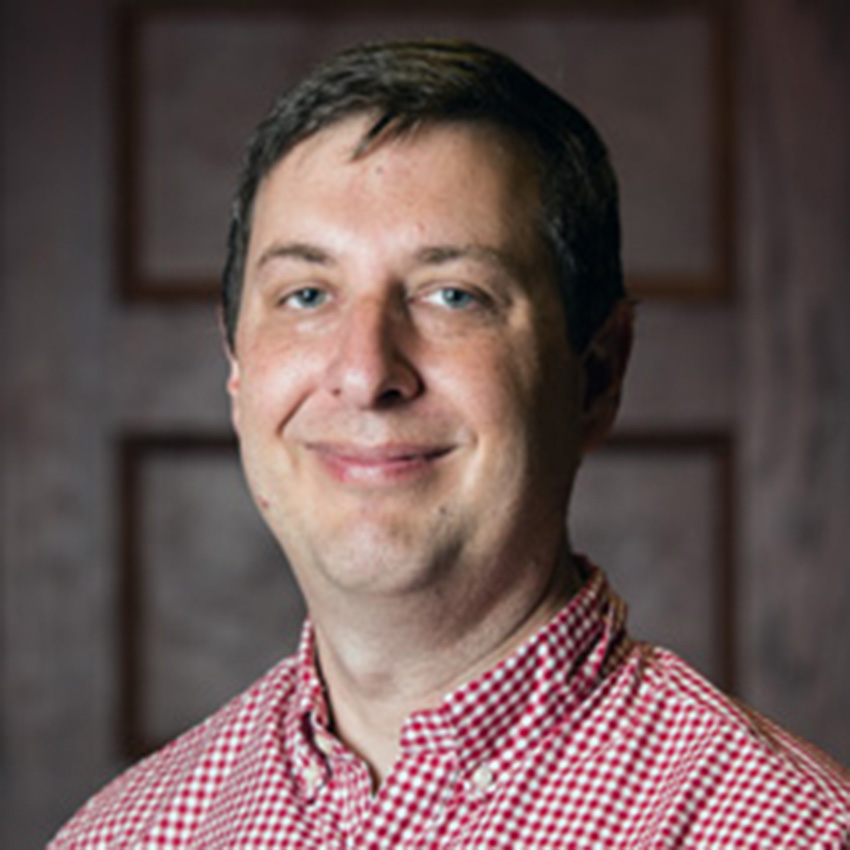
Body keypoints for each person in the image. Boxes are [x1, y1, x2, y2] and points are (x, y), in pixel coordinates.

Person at [51, 39, 848, 848]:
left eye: (453, 295)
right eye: (307, 294)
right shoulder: (120, 835)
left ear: (597, 375)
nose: (366, 373)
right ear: (236, 367)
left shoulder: (792, 830)